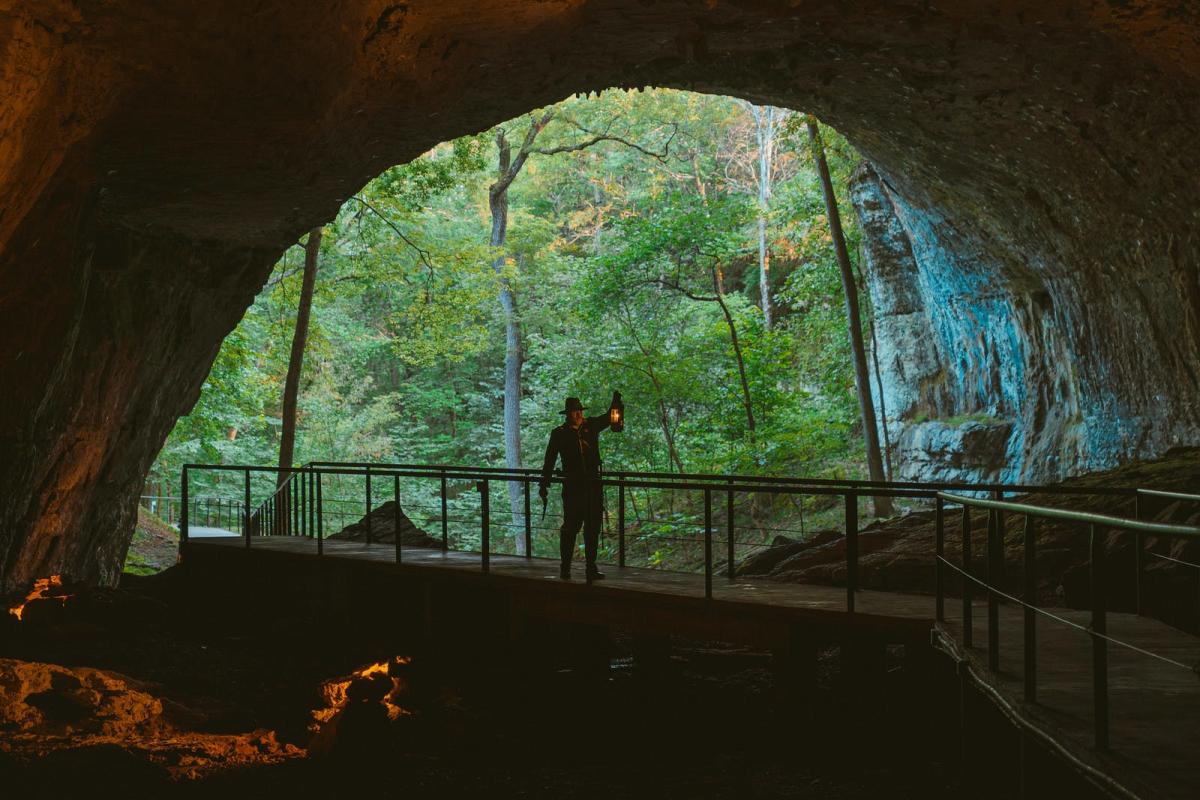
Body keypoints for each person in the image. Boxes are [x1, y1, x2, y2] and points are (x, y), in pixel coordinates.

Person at [539, 393, 621, 581]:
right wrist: (544, 483)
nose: (577, 415)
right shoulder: (559, 433)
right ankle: (565, 567)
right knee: (570, 527)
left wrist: (615, 403)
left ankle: (590, 568)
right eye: (574, 412)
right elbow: (549, 459)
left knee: (592, 528)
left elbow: (609, 417)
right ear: (567, 414)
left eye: (578, 411)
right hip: (573, 486)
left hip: (593, 485)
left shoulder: (590, 426)